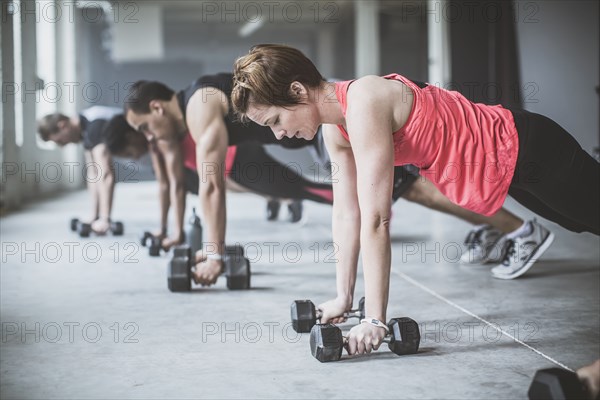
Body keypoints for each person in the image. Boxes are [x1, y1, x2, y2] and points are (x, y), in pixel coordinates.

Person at [230, 44, 599, 355]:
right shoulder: (333, 131)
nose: (279, 135)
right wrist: (343, 298)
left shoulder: (365, 101)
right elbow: (347, 215)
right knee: (579, 223)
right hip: (508, 165)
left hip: (530, 148)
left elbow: (376, 218)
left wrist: (375, 319)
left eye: (275, 120)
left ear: (297, 91)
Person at [37, 106, 122, 234]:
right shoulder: (85, 130)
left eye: (60, 141)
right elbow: (93, 174)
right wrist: (94, 216)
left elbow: (105, 174)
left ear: (63, 125)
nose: (62, 146)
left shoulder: (94, 125)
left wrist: (105, 219)